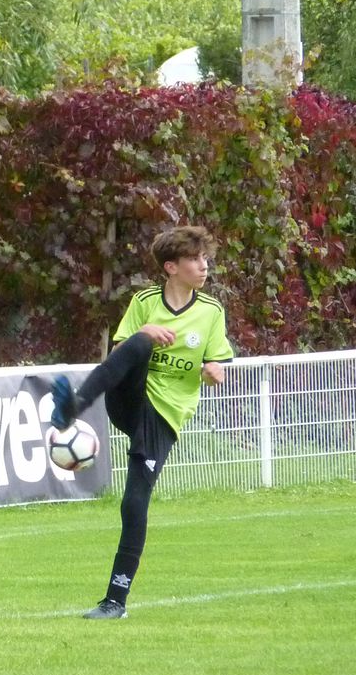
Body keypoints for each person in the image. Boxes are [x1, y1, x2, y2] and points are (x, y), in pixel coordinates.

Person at [49, 224, 233, 620]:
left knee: (134, 503)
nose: (204, 266)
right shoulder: (145, 301)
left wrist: (213, 371)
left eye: (205, 258)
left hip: (163, 417)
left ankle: (115, 602)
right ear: (171, 267)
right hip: (130, 399)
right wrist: (145, 332)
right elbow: (121, 354)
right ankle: (74, 407)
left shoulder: (211, 312)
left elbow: (215, 362)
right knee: (139, 339)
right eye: (195, 259)